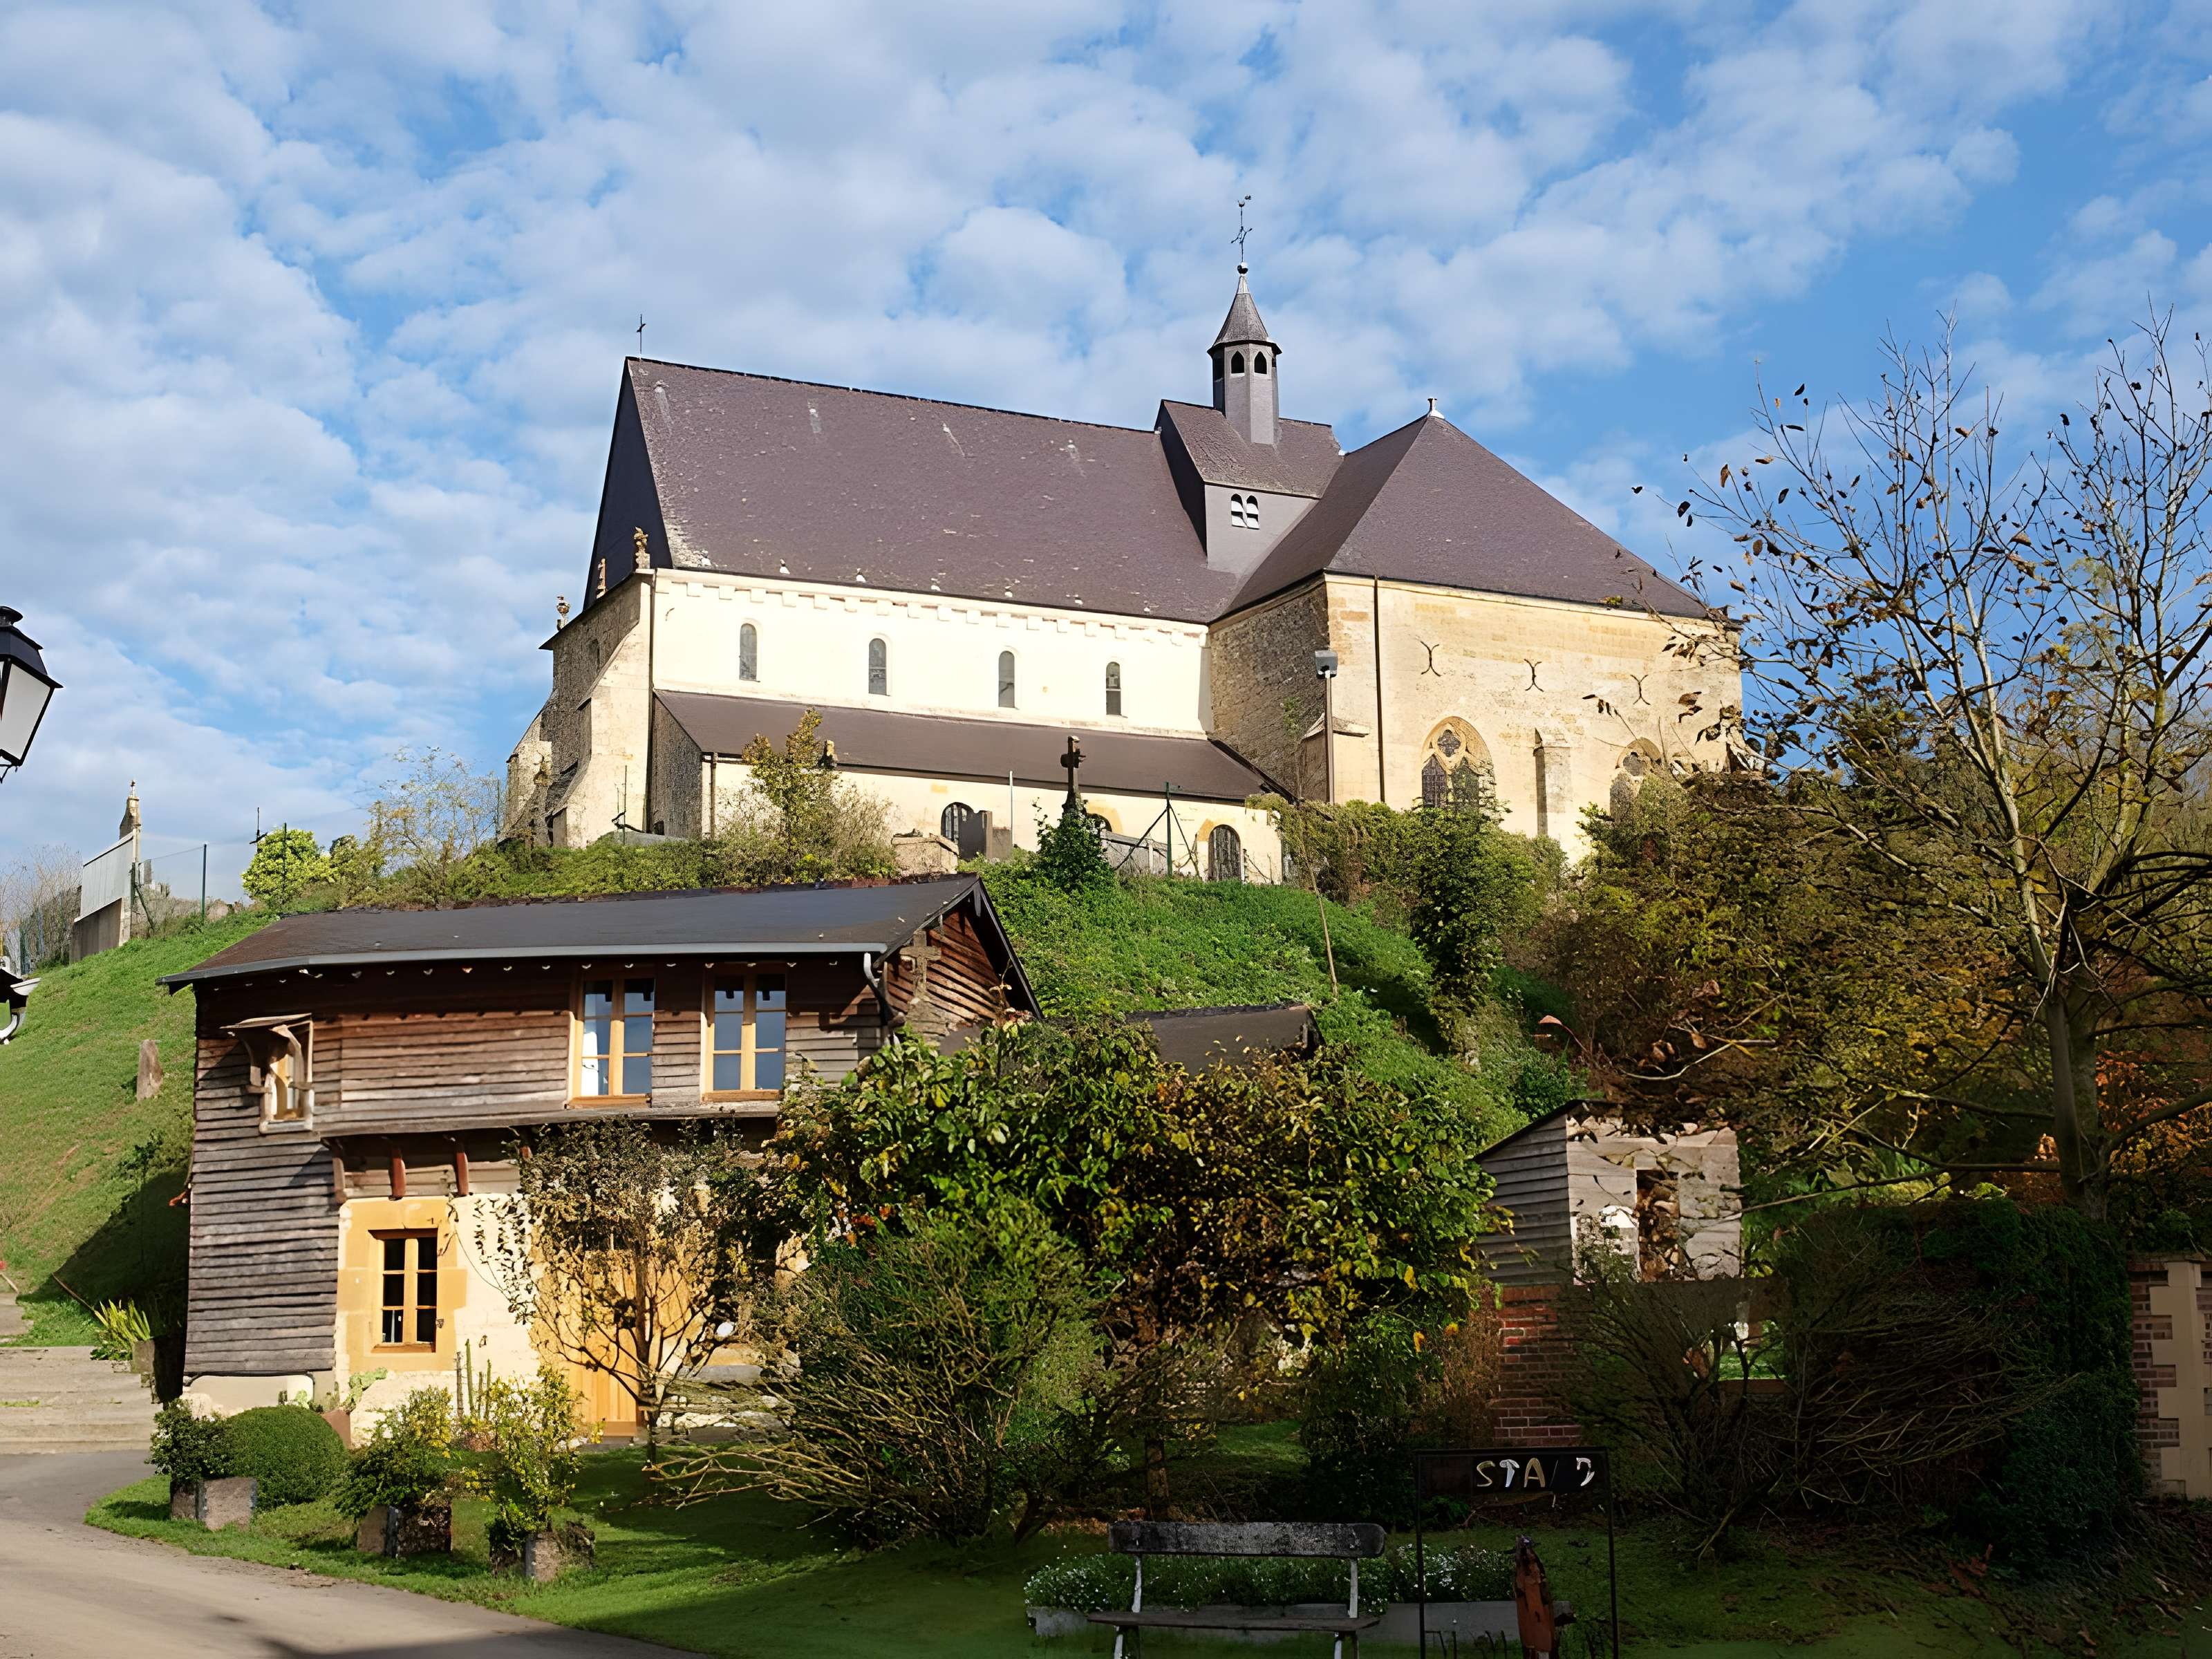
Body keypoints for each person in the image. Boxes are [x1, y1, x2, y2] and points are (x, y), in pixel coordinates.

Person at [1512, 1533, 1557, 1658]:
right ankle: (1524, 1545)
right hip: (1533, 1598)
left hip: (1533, 1598)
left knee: (1526, 1570)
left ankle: (1523, 1545)